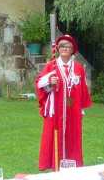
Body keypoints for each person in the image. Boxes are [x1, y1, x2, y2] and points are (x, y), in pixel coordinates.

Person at [36, 33, 92, 170]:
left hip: (73, 109)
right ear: (58, 49)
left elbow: (83, 88)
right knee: (54, 136)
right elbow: (39, 84)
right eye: (62, 46)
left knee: (73, 137)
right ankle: (55, 164)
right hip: (56, 110)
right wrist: (50, 82)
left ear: (73, 50)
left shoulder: (78, 68)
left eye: (68, 46)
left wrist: (81, 107)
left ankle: (72, 164)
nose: (65, 48)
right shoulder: (51, 66)